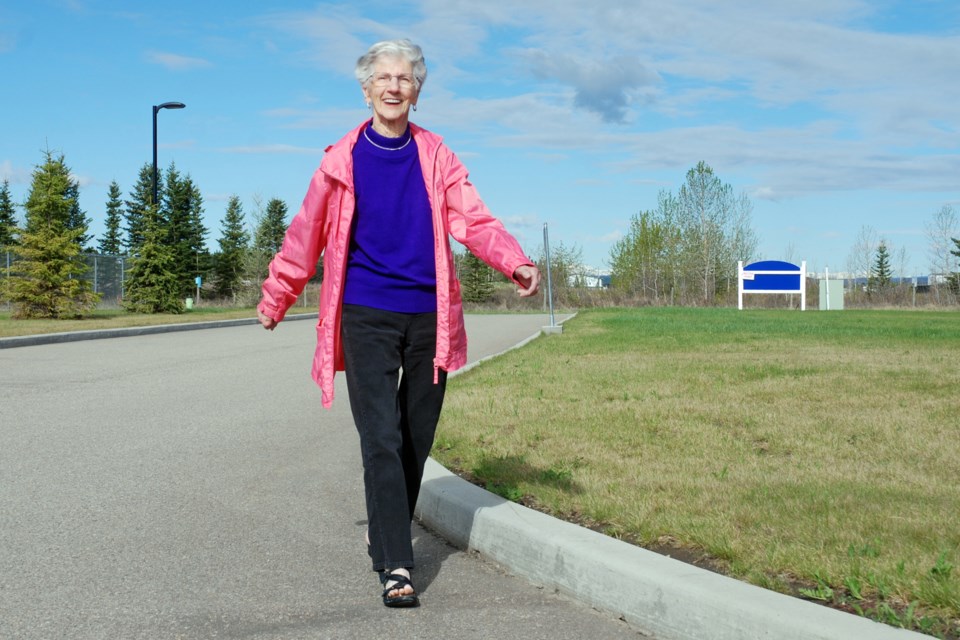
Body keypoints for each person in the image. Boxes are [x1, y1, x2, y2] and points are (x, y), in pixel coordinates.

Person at [257, 38, 540, 608]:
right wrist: (277, 295)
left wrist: (513, 259)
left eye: (405, 78)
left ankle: (383, 533)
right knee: (380, 438)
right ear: (366, 90)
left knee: (416, 435)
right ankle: (397, 563)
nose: (394, 86)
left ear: (417, 91)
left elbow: (473, 218)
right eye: (383, 78)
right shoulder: (340, 160)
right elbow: (305, 233)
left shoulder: (436, 156)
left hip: (429, 315)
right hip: (364, 312)